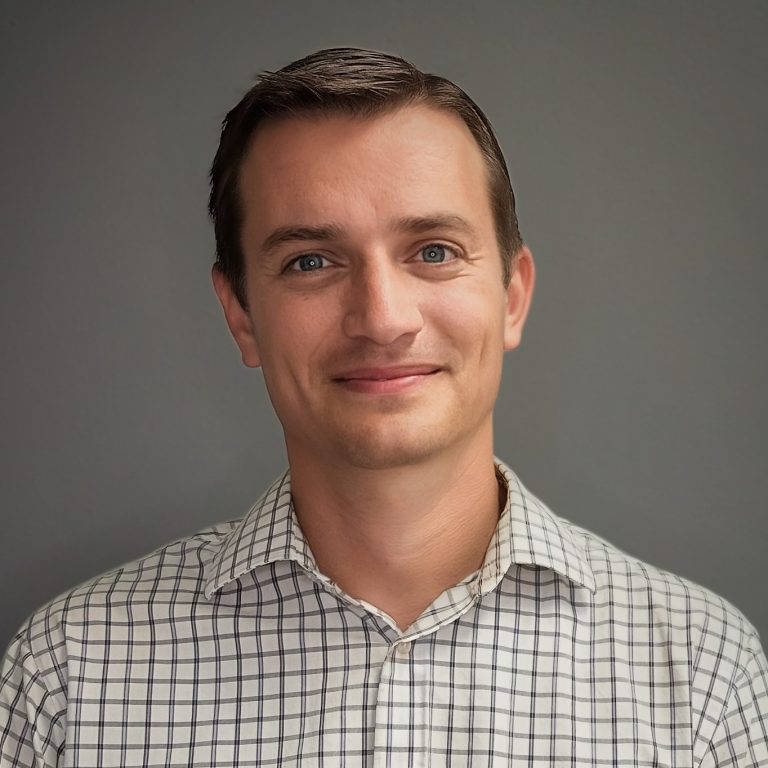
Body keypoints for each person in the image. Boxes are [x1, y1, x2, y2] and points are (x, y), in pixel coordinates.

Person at [1, 47, 766, 767]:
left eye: (433, 251)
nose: (383, 318)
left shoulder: (704, 676)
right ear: (241, 315)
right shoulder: (69, 677)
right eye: (311, 261)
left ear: (512, 295)